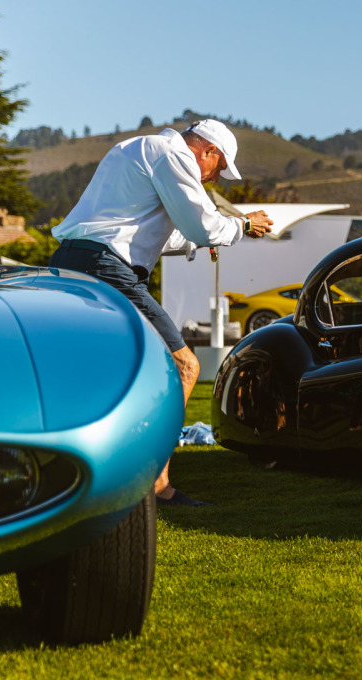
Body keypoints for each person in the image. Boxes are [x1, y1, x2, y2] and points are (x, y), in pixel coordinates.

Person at [50, 119, 273, 507]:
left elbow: (150, 228)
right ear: (207, 152)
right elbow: (203, 225)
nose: (215, 180)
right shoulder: (173, 155)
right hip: (107, 267)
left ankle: (70, 477)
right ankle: (156, 486)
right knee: (183, 366)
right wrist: (241, 225)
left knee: (91, 373)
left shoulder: (134, 148)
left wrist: (208, 237)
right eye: (218, 169)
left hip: (71, 261)